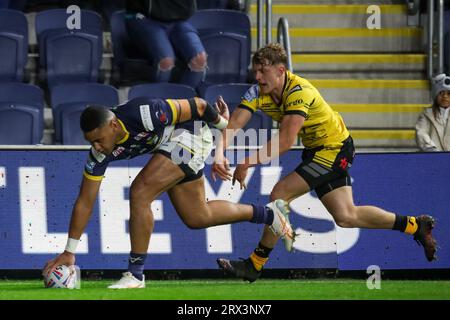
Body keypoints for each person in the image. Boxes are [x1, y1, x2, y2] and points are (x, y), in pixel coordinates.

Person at [213, 43, 438, 283]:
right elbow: (235, 123)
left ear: (280, 71)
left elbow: (286, 141)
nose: (257, 76)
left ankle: (254, 265)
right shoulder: (257, 91)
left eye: (263, 71)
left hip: (334, 148)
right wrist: (219, 153)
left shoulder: (299, 91)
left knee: (279, 195)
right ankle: (415, 225)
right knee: (346, 216)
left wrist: (246, 163)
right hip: (319, 150)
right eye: (255, 70)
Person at [42, 95, 295, 289]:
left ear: (114, 125)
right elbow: (85, 201)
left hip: (192, 133)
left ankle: (135, 274)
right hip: (172, 147)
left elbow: (197, 105)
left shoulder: (145, 113)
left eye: (98, 139)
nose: (96, 146)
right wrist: (69, 250)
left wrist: (224, 125)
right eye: (91, 142)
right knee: (198, 216)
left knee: (140, 191)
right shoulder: (98, 153)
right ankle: (270, 214)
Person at [125, 0, 206, 89]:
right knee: (166, 60)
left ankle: (181, 99)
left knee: (199, 59)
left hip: (179, 21)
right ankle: (156, 100)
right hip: (145, 19)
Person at [415, 73, 450, 151]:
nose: (445, 96)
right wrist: (432, 150)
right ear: (435, 95)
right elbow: (421, 133)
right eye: (441, 93)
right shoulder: (426, 114)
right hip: (433, 158)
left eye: (449, 94)